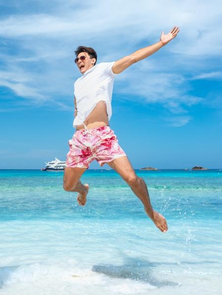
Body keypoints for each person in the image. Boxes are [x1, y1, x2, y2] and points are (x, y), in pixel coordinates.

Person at [62, 27, 180, 232]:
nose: (79, 62)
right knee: (68, 186)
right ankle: (84, 190)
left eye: (82, 58)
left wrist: (161, 43)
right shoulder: (76, 84)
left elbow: (133, 58)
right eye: (76, 60)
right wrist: (75, 135)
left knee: (132, 179)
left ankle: (150, 211)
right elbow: (76, 110)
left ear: (92, 60)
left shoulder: (104, 71)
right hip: (80, 138)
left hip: (102, 136)